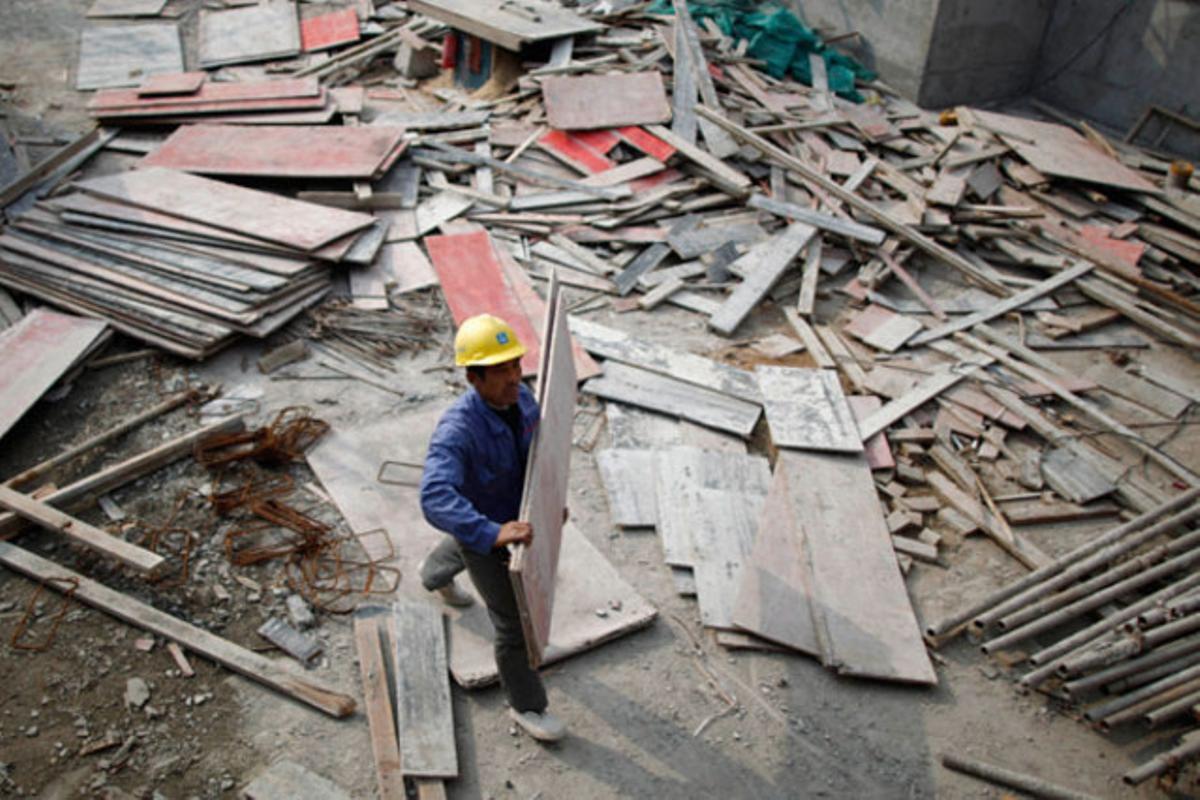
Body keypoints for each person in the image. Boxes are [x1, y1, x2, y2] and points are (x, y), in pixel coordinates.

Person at [418, 313, 566, 743]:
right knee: (514, 626)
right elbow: (434, 497)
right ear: (473, 378)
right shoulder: (457, 430)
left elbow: (539, 453)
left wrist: (549, 499)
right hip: (488, 531)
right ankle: (527, 706)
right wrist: (490, 533)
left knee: (460, 541)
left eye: (515, 364)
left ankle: (431, 574)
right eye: (499, 370)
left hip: (510, 514)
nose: (513, 377)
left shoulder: (523, 399)